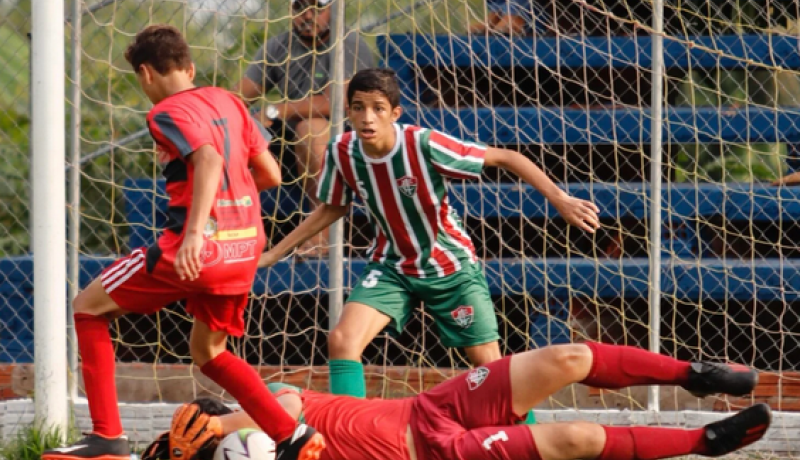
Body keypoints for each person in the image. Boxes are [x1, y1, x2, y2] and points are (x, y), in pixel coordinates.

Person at [42, 25, 324, 460]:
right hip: (244, 247)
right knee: (209, 351)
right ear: (189, 67)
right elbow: (271, 174)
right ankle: (291, 435)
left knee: (87, 307)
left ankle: (107, 439)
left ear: (145, 74)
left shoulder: (166, 113)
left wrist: (195, 231)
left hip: (196, 249)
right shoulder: (229, 101)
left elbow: (208, 157)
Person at [257, 67, 602, 405]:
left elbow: (507, 157)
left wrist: (561, 199)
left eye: (378, 108)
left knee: (490, 366)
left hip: (449, 267)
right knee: (343, 340)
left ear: (395, 113)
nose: (367, 118)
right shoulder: (341, 152)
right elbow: (332, 208)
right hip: (392, 266)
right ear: (348, 111)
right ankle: (349, 439)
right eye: (358, 107)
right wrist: (276, 252)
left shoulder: (423, 144)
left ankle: (523, 441)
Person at [151, 342, 769, 460]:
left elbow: (263, 404)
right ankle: (704, 443)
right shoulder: (272, 450)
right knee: (576, 439)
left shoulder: (271, 406)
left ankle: (695, 373)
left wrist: (212, 427)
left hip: (432, 407)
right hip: (442, 452)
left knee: (567, 359)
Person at [233, 0, 375, 255]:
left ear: (332, 9)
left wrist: (277, 110)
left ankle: (322, 232)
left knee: (310, 128)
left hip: (346, 143)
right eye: (299, 8)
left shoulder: (349, 44)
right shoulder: (279, 45)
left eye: (316, 8)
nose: (307, 16)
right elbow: (239, 97)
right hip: (290, 148)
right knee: (230, 130)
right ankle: (226, 231)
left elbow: (338, 102)